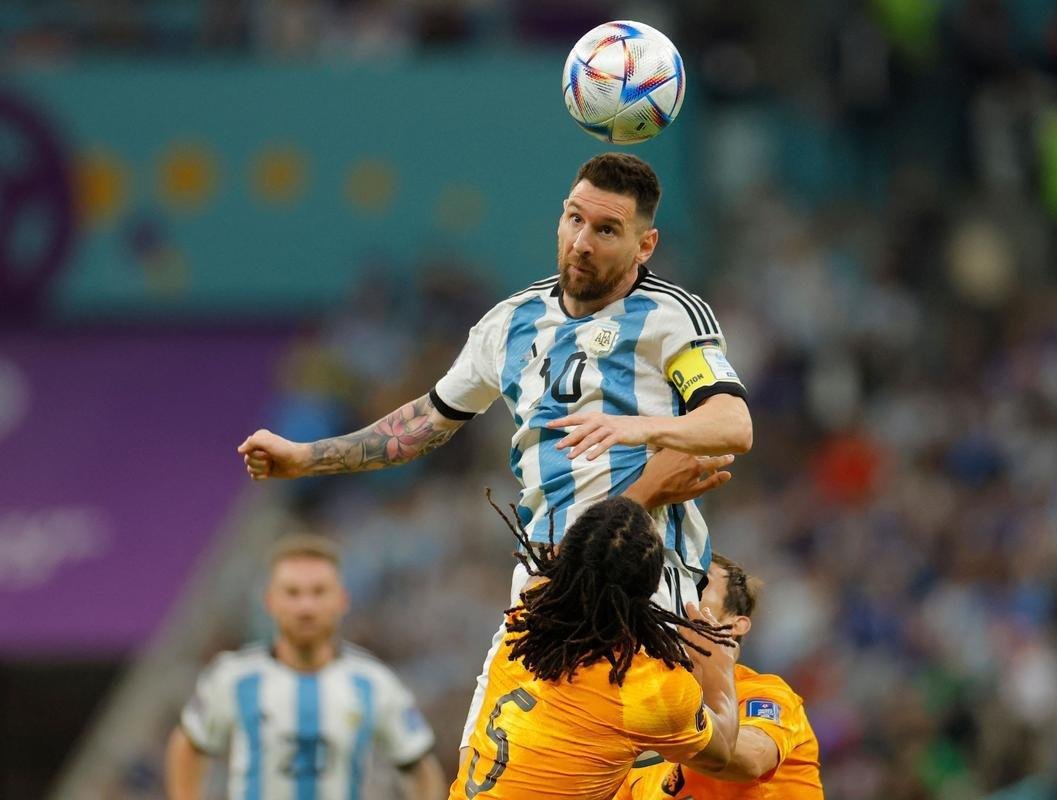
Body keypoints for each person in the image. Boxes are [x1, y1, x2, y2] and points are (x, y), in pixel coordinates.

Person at [238, 151, 752, 615]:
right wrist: (306, 458)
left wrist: (637, 428)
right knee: (489, 726)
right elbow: (423, 423)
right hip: (542, 580)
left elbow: (732, 423)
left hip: (646, 578)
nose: (582, 242)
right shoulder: (509, 323)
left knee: (641, 721)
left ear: (645, 245)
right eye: (575, 218)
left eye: (607, 230)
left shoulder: (671, 316)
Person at [449, 495, 742, 800]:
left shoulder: (530, 612)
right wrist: (720, 668)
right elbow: (721, 753)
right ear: (653, 589)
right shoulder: (649, 689)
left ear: (562, 556)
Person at [164, 535, 446, 800]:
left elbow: (419, 762)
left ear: (341, 600)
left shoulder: (373, 682)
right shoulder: (233, 677)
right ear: (270, 601)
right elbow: (188, 743)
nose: (306, 606)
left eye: (319, 592)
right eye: (292, 593)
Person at [614, 554, 824, 800]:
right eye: (671, 578)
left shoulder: (765, 694)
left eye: (698, 581)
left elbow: (752, 759)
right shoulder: (640, 740)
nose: (676, 589)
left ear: (735, 624)